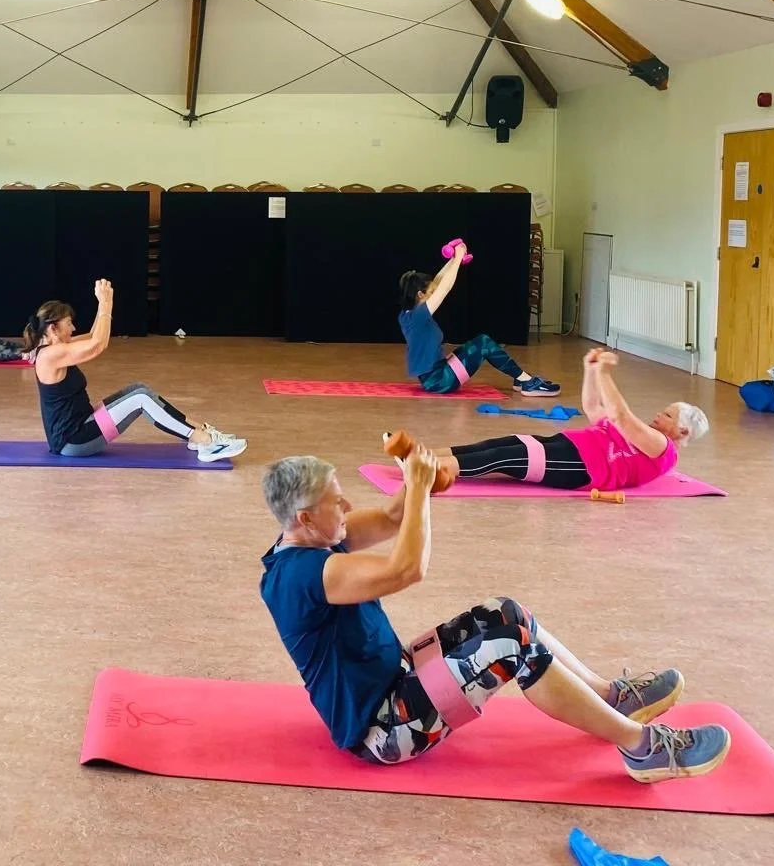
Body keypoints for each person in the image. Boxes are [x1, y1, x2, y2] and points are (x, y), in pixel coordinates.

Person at [258, 446, 731, 781]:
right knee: (512, 645)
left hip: (397, 677)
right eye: (334, 501)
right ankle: (642, 746)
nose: (346, 505)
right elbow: (407, 569)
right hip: (382, 728)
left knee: (503, 612)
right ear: (304, 518)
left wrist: (419, 481)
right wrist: (419, 491)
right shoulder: (305, 575)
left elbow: (389, 519)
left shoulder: (315, 535)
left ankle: (609, 695)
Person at [27, 279, 245, 462]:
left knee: (139, 389)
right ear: (53, 328)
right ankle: (205, 442)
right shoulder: (49, 356)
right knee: (140, 398)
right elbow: (98, 345)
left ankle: (201, 430)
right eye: (69, 323)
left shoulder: (56, 349)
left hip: (84, 425)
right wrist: (105, 303)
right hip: (74, 440)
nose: (73, 328)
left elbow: (95, 336)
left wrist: (105, 303)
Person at [429, 348, 708, 490]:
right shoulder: (651, 436)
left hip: (584, 466)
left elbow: (620, 416)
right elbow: (593, 407)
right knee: (499, 445)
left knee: (505, 459)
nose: (659, 415)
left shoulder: (664, 448)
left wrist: (605, 374)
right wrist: (591, 370)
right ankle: (425, 456)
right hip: (572, 447)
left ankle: (428, 472)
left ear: (681, 431)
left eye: (668, 415)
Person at [398, 242, 558, 395]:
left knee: (481, 341)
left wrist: (453, 260)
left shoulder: (408, 314)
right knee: (484, 344)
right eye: (431, 291)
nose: (435, 292)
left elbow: (439, 282)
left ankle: (520, 378)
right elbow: (444, 288)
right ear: (420, 294)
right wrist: (459, 257)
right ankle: (527, 382)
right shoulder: (417, 316)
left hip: (437, 374)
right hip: (439, 381)